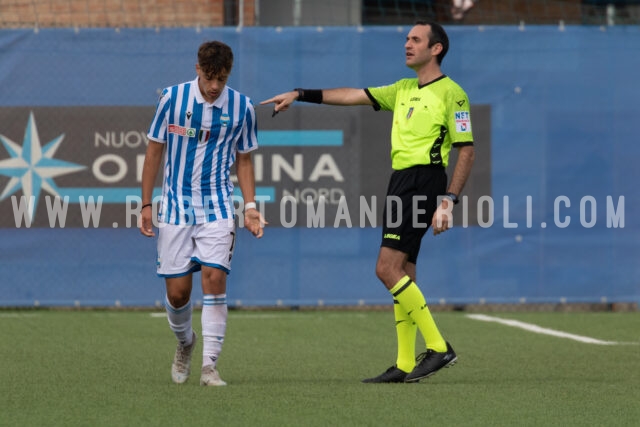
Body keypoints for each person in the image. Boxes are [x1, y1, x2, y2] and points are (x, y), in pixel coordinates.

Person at [261, 21, 474, 383]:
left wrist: (448, 200)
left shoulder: (452, 93)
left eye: (415, 39)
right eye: (406, 38)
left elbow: (466, 149)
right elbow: (350, 96)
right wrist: (300, 93)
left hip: (424, 180)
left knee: (385, 269)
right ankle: (405, 363)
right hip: (400, 181)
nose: (407, 44)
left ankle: (438, 347)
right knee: (403, 271)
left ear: (436, 49)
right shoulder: (403, 88)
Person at [140, 40, 266, 386]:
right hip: (176, 207)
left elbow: (244, 159)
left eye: (221, 80)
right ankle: (186, 343)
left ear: (228, 75)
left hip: (218, 206)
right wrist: (147, 204)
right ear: (197, 69)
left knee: (214, 279)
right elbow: (154, 153)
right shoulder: (172, 99)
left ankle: (210, 367)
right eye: (209, 78)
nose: (214, 87)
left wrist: (251, 207)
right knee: (178, 293)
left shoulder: (242, 107)